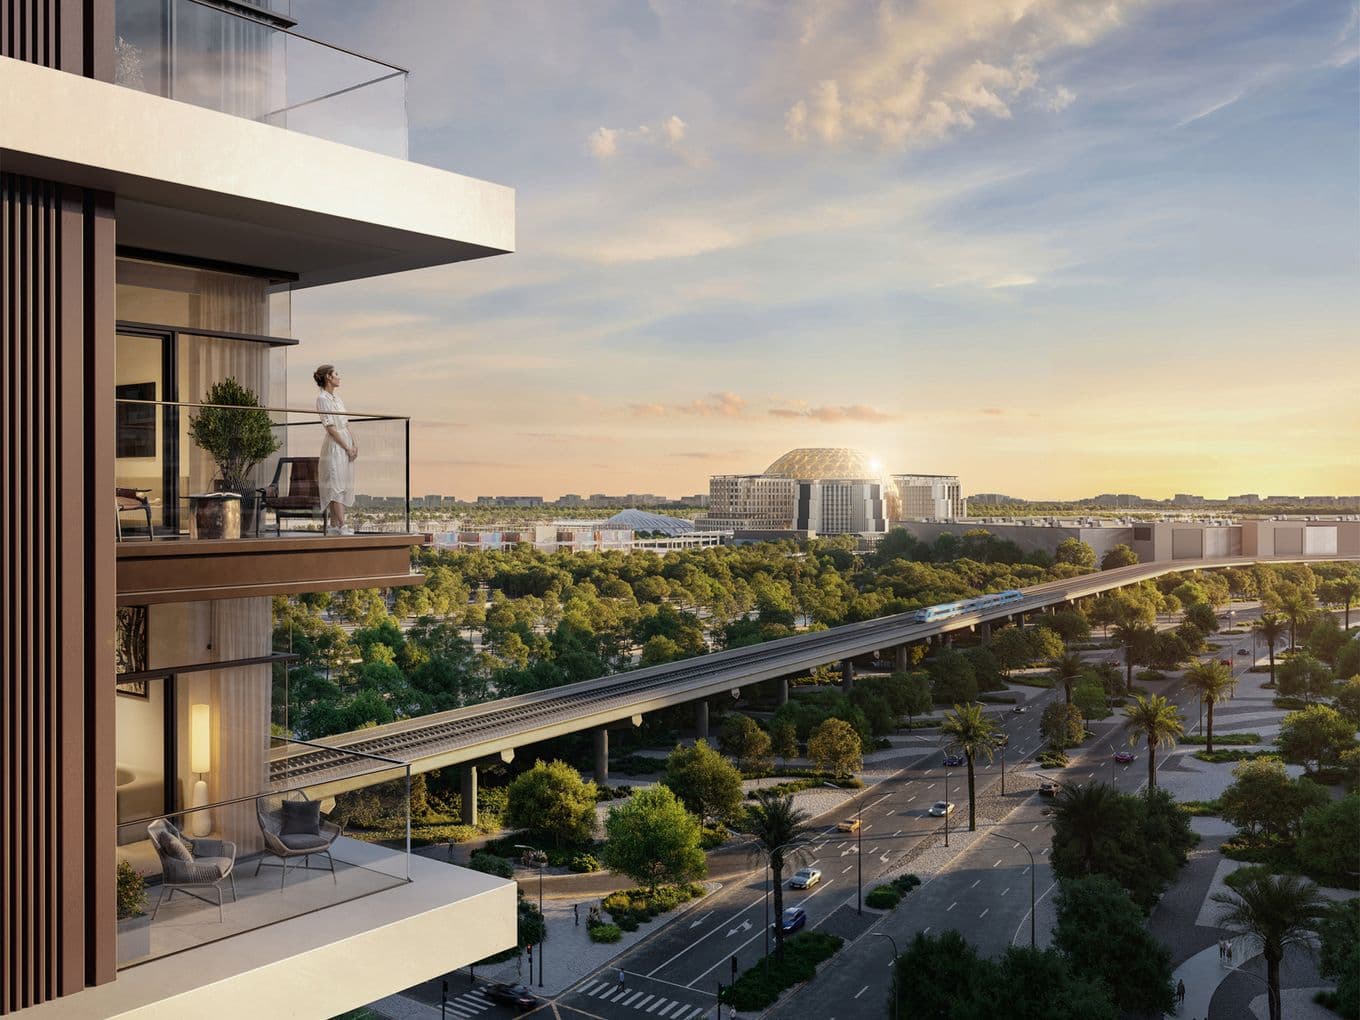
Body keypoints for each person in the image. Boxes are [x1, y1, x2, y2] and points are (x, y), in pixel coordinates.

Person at [313, 364, 357, 536]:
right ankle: (342, 524)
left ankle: (334, 526)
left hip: (345, 444)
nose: (339, 377)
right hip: (335, 446)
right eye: (336, 374)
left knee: (343, 484)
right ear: (328, 377)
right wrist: (346, 447)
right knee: (335, 484)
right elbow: (330, 428)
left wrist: (354, 445)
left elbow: (346, 424)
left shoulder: (337, 399)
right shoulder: (322, 399)